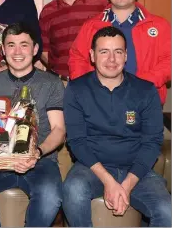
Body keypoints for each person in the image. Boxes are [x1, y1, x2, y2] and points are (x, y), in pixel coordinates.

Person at [63, 26, 171, 227]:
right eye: (104, 52)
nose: (111, 59)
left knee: (167, 211)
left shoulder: (146, 90)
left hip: (137, 168)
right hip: (92, 167)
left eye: (118, 52)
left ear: (126, 55)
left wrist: (127, 184)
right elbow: (77, 141)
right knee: (73, 191)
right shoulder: (76, 89)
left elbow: (152, 142)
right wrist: (109, 182)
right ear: (92, 56)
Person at [0, 22, 65, 227]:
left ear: (35, 49)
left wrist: (37, 152)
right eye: (11, 45)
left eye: (24, 45)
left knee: (50, 196)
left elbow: (59, 130)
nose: (17, 51)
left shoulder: (52, 83)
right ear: (3, 50)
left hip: (40, 160)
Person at [68, 0, 171, 104]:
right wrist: (91, 87)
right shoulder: (91, 26)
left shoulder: (159, 25)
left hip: (145, 101)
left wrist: (140, 84)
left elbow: (168, 60)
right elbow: (77, 58)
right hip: (100, 103)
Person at [39, 0, 108, 82]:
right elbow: (44, 51)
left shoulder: (102, 4)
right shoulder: (47, 12)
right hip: (61, 85)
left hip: (96, 83)